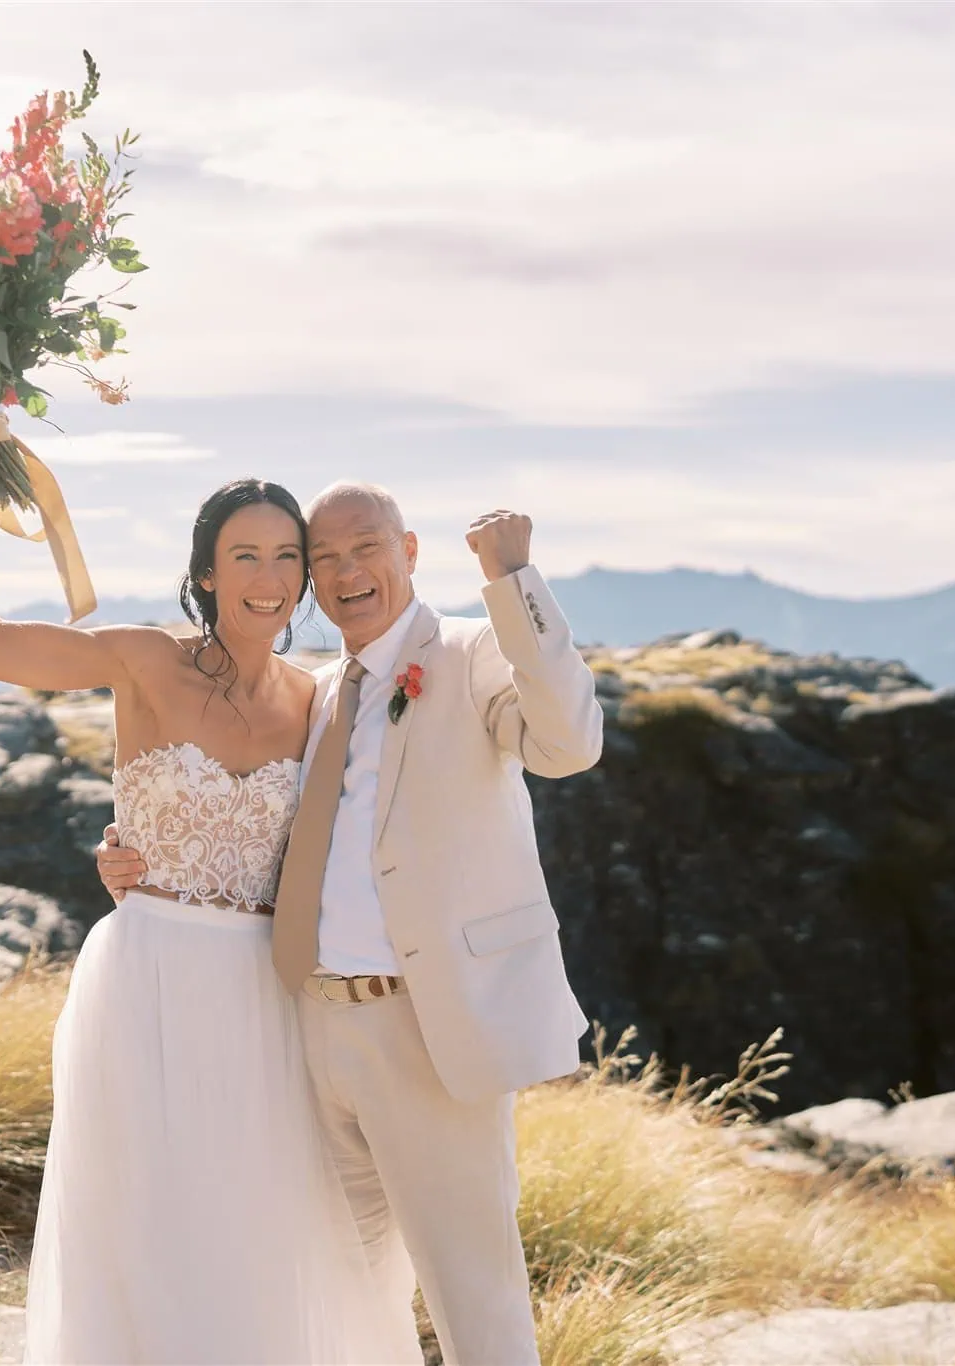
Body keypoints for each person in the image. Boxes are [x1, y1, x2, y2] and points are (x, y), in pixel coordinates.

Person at [0, 409, 419, 1364]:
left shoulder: (321, 700)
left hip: (268, 994)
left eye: (286, 558)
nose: (269, 580)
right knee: (145, 1221)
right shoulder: (144, 660)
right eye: (244, 556)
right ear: (205, 574)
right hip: (146, 975)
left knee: (259, 1224)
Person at [99, 480, 604, 1365]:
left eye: (364, 547)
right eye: (320, 556)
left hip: (429, 1030)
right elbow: (253, 824)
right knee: (337, 1291)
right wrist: (134, 848)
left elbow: (568, 745)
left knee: (473, 1297)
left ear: (408, 553)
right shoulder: (320, 691)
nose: (343, 571)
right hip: (303, 1030)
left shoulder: (474, 651)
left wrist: (514, 575)